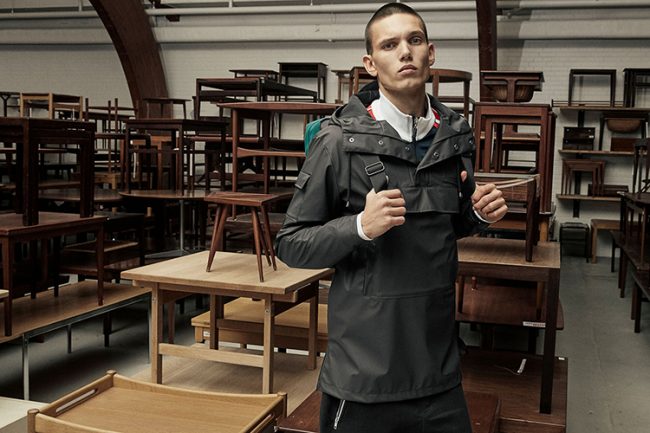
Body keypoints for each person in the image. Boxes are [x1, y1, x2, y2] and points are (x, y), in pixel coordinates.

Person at [275, 3, 508, 432]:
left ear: (430, 53)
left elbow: (441, 227)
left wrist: (475, 214)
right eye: (389, 45)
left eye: (414, 40)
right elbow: (290, 243)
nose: (405, 52)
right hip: (364, 377)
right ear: (370, 63)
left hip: (438, 371)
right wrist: (359, 227)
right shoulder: (337, 141)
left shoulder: (454, 136)